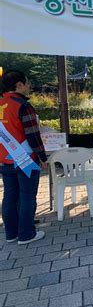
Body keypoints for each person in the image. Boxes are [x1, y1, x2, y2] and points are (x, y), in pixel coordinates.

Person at [0, 70, 47, 245]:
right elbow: (33, 135)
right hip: (25, 158)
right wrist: (42, 157)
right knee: (27, 196)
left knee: (9, 196)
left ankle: (11, 233)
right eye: (27, 83)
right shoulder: (23, 105)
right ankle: (27, 234)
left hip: (5, 159)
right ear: (19, 85)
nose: (29, 87)